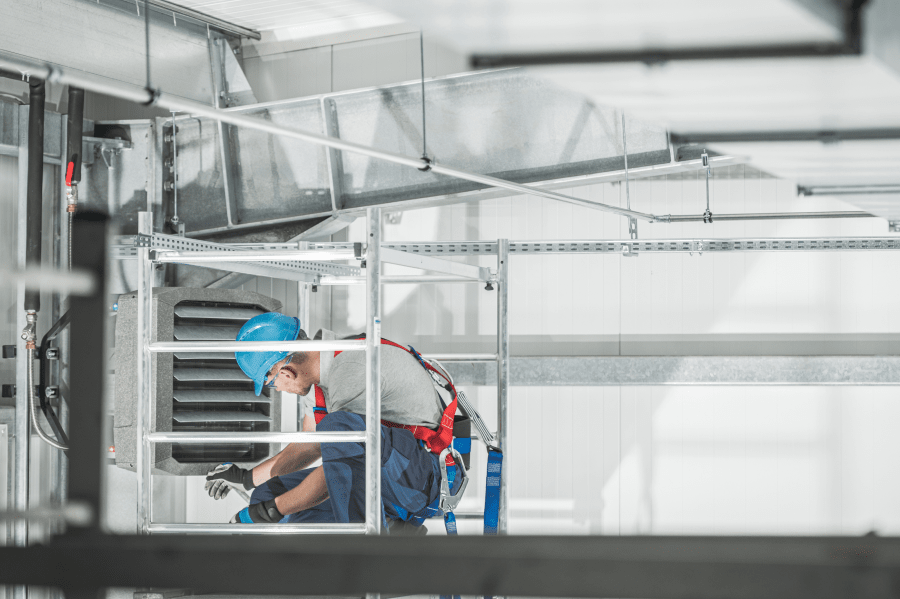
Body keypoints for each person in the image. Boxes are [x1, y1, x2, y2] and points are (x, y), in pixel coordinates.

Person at [205, 312, 455, 531]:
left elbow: (341, 462)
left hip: (425, 478)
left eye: (272, 384)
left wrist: (272, 511)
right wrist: (246, 478)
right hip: (393, 470)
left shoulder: (350, 369)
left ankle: (369, 551)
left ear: (285, 373)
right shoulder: (319, 375)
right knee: (267, 494)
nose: (278, 390)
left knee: (336, 431)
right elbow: (309, 446)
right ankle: (330, 570)